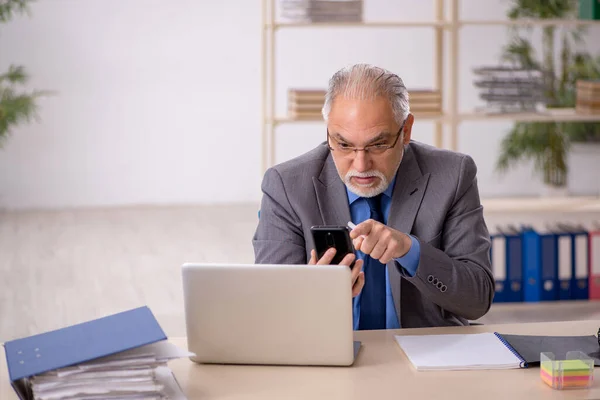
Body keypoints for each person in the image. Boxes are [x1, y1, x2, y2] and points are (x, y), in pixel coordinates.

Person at [252, 63, 494, 329]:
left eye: (378, 145)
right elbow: (269, 309)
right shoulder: (286, 186)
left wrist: (410, 251)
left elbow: (477, 301)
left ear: (406, 131)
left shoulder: (452, 175)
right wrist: (315, 295)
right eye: (343, 144)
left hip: (426, 356)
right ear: (328, 132)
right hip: (327, 354)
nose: (361, 165)